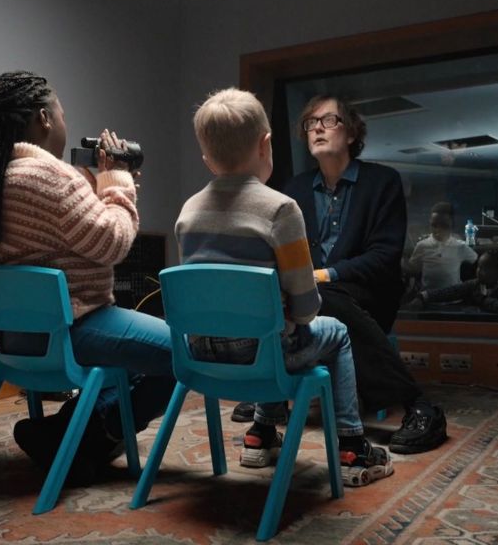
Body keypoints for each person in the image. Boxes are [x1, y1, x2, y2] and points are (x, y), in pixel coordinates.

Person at [0, 71, 175, 486]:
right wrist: (119, 184)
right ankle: (84, 437)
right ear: (44, 118)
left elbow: (59, 237)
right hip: (75, 328)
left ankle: (62, 434)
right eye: (62, 113)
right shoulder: (49, 176)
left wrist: (99, 188)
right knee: (184, 352)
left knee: (139, 356)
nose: (64, 121)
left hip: (19, 339)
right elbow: (112, 242)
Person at [175, 88, 391, 485]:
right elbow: (308, 306)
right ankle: (352, 443)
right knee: (333, 332)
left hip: (199, 354)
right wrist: (293, 310)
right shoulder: (280, 209)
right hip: (262, 353)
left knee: (269, 326)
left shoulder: (187, 212)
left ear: (206, 157)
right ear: (266, 145)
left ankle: (259, 435)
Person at [272, 94, 447, 455]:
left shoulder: (382, 182)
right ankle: (271, 391)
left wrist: (323, 275)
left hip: (371, 293)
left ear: (351, 133)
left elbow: (384, 258)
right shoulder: (294, 190)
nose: (317, 127)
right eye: (310, 123)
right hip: (314, 296)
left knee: (327, 299)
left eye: (328, 120)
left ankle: (419, 405)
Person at [406, 250, 498, 314]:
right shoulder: (476, 285)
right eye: (479, 267)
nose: (479, 271)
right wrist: (423, 296)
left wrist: (482, 300)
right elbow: (452, 291)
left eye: (485, 268)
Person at [407, 202, 478, 292]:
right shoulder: (422, 246)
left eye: (443, 226)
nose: (438, 230)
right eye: (434, 225)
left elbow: (476, 261)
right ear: (430, 223)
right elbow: (412, 269)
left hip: (453, 299)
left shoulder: (459, 246)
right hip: (428, 299)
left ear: (451, 226)